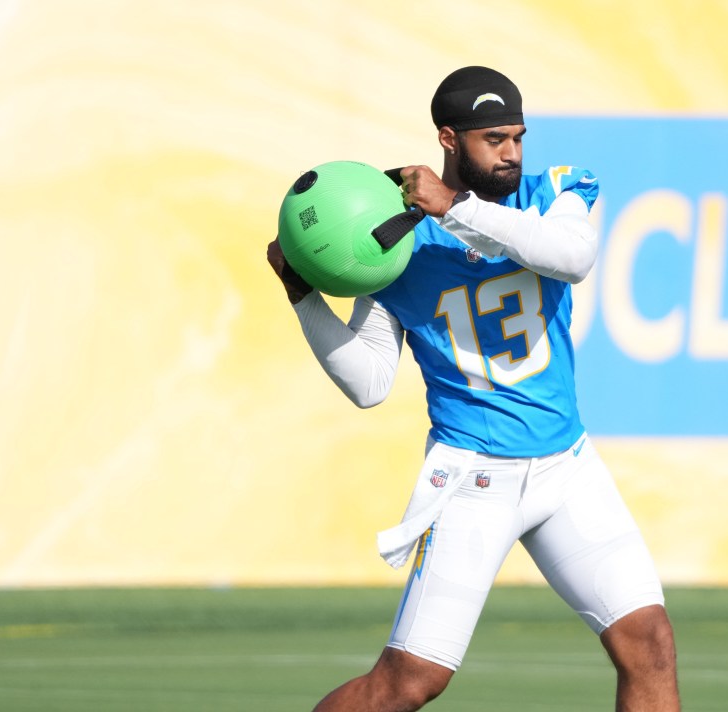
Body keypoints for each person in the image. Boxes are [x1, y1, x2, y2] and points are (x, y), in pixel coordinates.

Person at [266, 66, 680, 711]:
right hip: (472, 477)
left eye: (517, 136)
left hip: (566, 466)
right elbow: (371, 383)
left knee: (648, 642)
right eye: (494, 139)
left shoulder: (557, 191)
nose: (512, 152)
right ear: (449, 139)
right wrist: (303, 295)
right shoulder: (394, 245)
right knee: (407, 684)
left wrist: (458, 208)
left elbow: (570, 258)